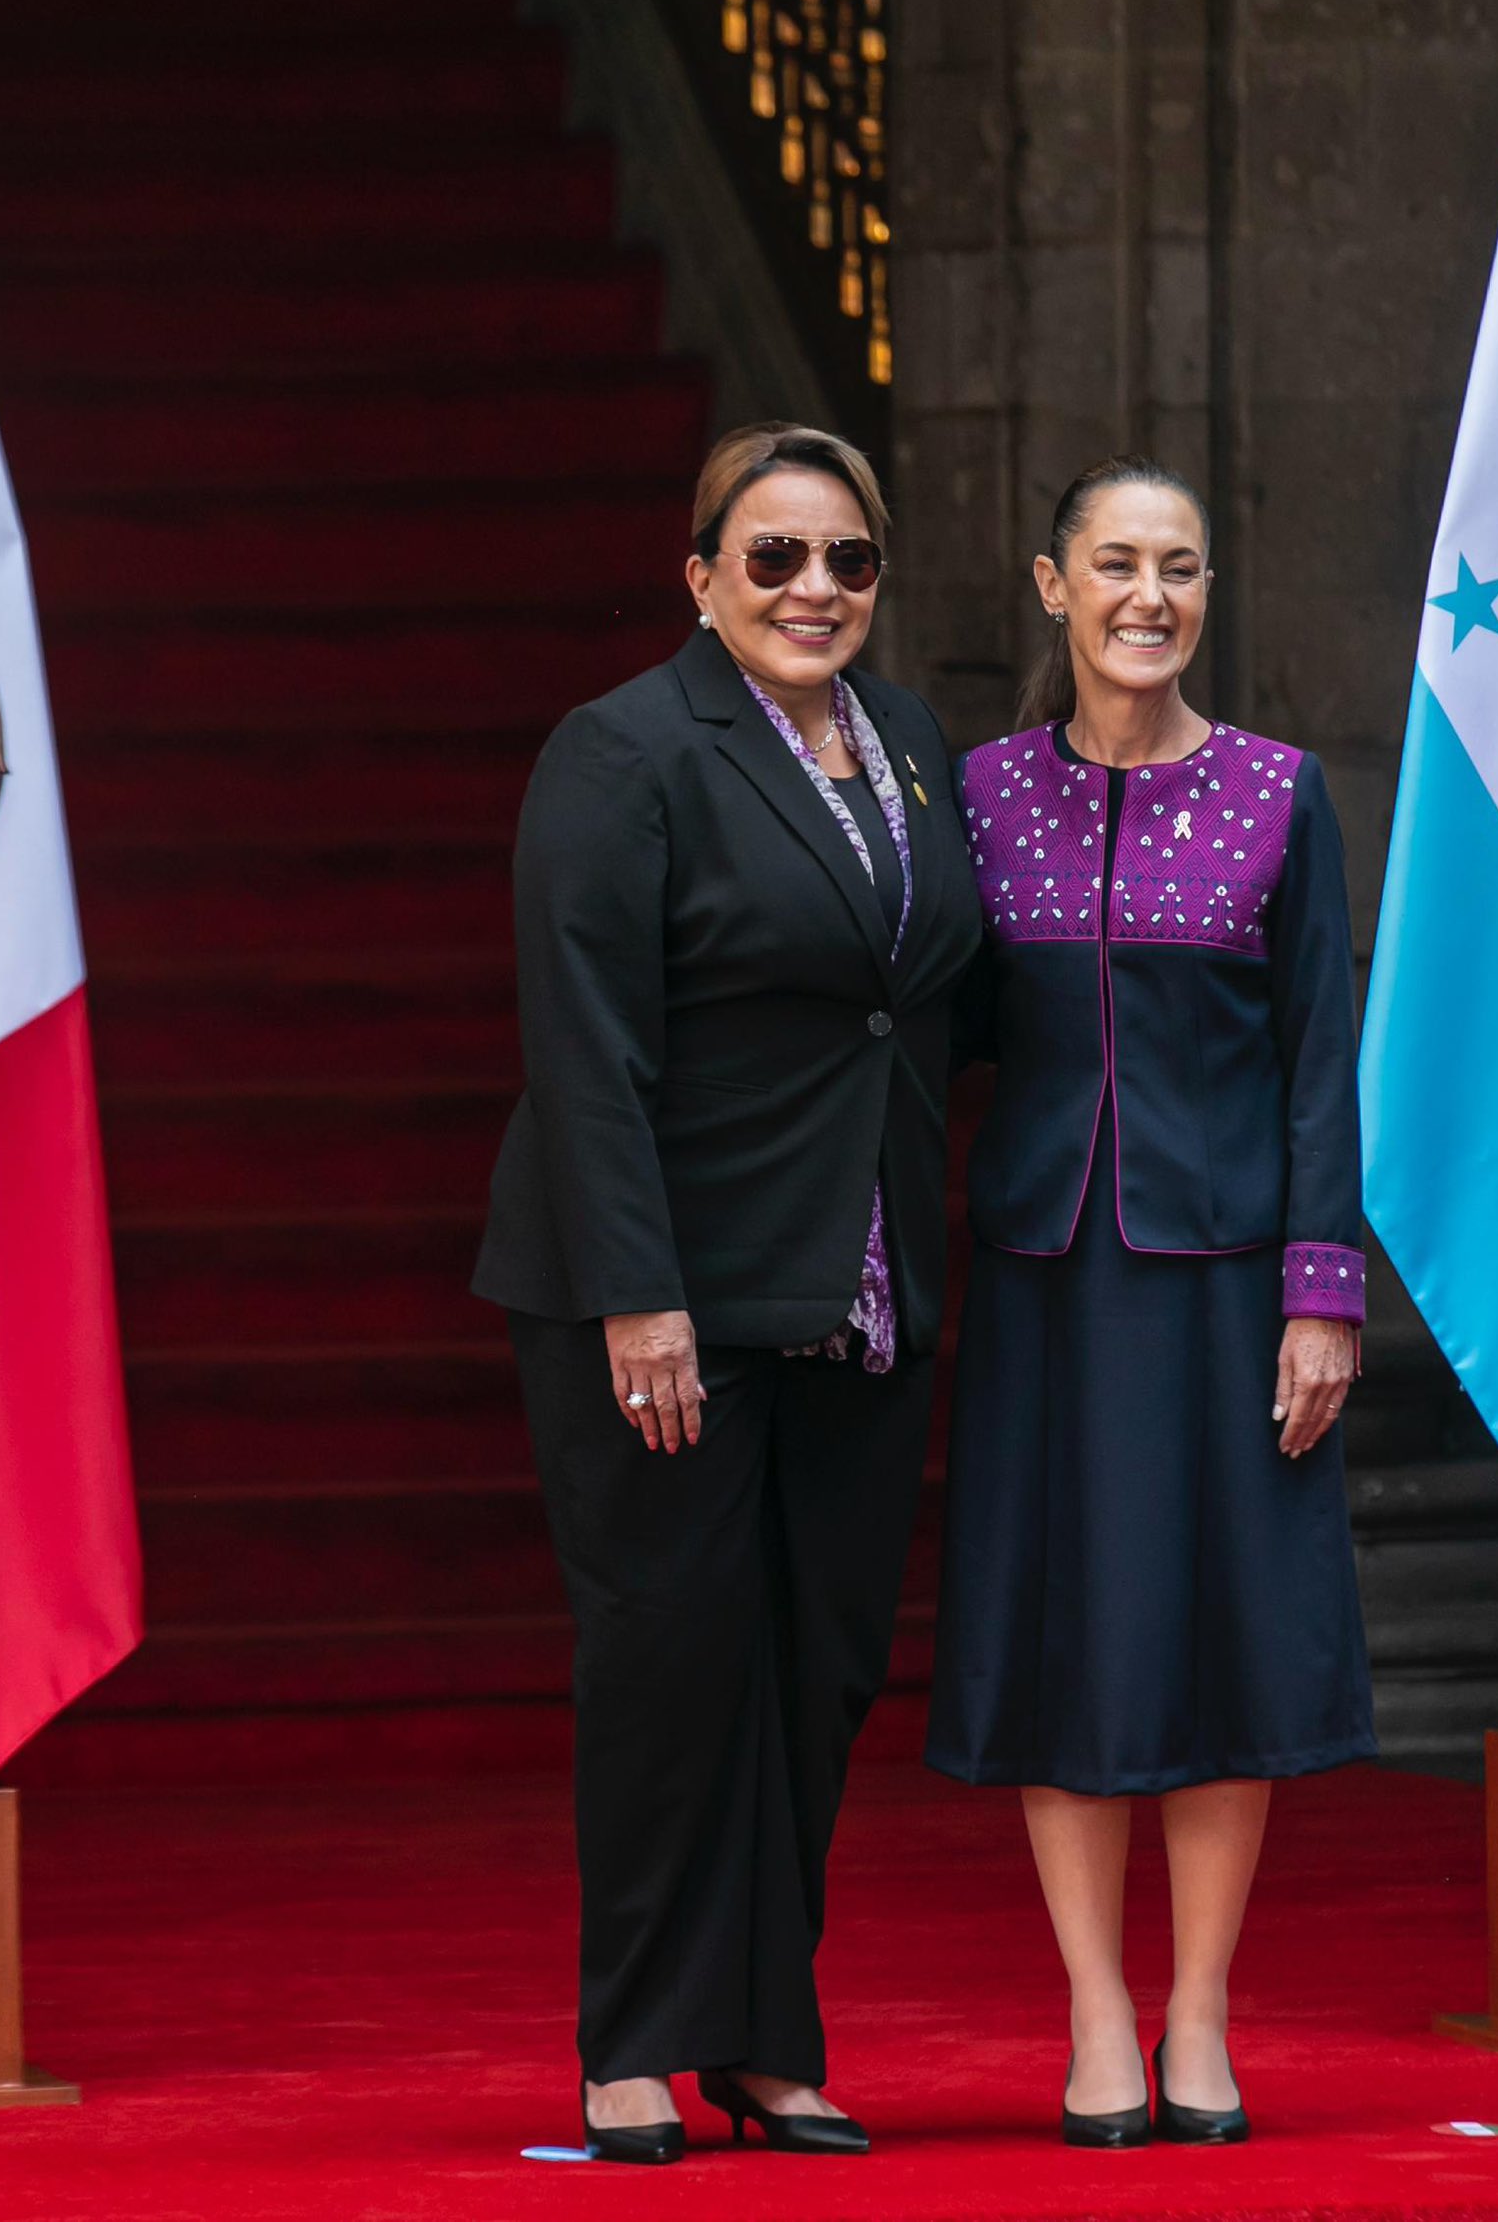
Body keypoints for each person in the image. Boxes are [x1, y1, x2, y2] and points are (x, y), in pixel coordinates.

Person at [474, 422, 987, 2164]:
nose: (816, 588)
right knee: (671, 1664)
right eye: (774, 557)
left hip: (860, 1285)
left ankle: (768, 2035)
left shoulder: (909, 742)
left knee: (817, 1667)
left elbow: (915, 1006)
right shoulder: (622, 751)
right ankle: (635, 2037)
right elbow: (585, 1046)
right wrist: (639, 1292)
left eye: (846, 557)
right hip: (668, 1292)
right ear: (702, 574)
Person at [929, 455, 1378, 2148]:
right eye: (1114, 563)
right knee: (1069, 1639)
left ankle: (1198, 2011)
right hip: (1044, 1284)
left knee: (1225, 1635)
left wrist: (1321, 1293)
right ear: (1053, 587)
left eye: (1179, 567)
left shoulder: (1278, 791)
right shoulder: (974, 795)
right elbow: (925, 1025)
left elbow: (1324, 1058)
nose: (1149, 596)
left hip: (1229, 1291)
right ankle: (1095, 2014)